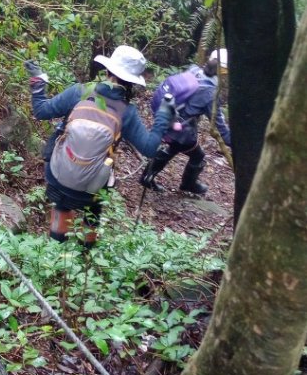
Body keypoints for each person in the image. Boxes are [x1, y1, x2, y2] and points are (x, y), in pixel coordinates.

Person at [26, 44, 174, 244]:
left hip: (58, 175)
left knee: (61, 205)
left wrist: (38, 81)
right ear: (132, 83)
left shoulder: (79, 92)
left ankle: (55, 248)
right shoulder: (126, 112)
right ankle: (86, 251)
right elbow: (149, 149)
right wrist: (164, 114)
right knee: (94, 210)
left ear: (107, 71)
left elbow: (41, 111)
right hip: (93, 188)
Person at [139, 48, 231, 197]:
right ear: (223, 71)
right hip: (180, 129)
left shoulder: (194, 70)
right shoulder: (210, 93)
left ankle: (147, 177)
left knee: (173, 148)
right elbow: (221, 128)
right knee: (197, 156)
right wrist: (235, 143)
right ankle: (188, 184)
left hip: (166, 116)